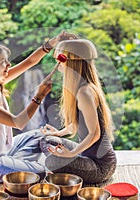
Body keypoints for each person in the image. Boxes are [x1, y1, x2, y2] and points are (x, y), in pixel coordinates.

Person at [0, 31, 76, 183]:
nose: (8, 65)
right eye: (2, 62)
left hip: (7, 150)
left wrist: (55, 41)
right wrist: (39, 96)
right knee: (39, 172)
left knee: (40, 135)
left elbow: (31, 61)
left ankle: (16, 166)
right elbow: (18, 122)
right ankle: (20, 167)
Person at [40, 39, 117, 184]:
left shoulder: (85, 92)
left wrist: (72, 153)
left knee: (52, 161)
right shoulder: (80, 88)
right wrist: (57, 133)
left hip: (100, 166)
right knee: (47, 140)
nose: (58, 64)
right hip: (86, 155)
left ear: (72, 62)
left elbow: (95, 134)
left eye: (61, 60)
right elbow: (77, 124)